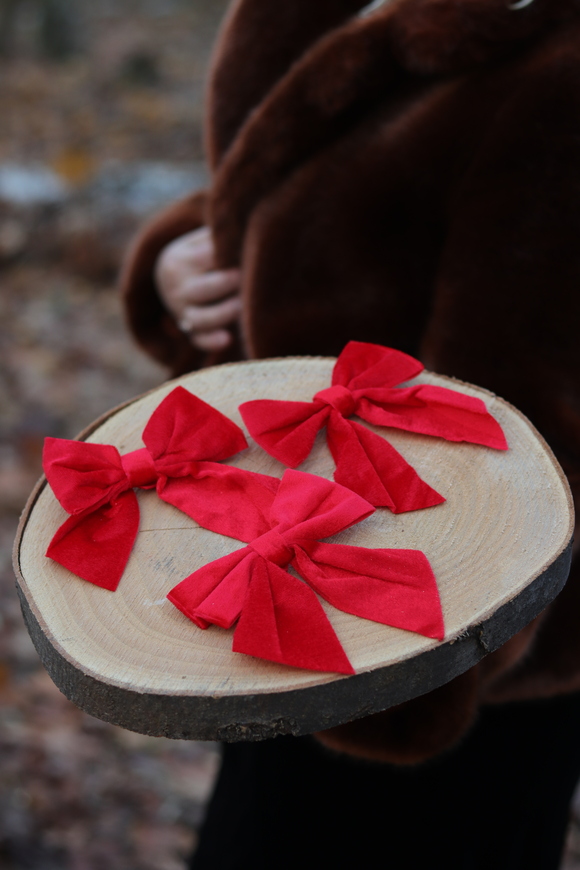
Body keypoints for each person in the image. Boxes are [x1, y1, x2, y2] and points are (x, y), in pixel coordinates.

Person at [121, 0, 580, 866]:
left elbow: (522, 424)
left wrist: (405, 682)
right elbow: (311, 183)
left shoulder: (560, 69)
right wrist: (187, 258)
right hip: (280, 568)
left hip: (453, 650)